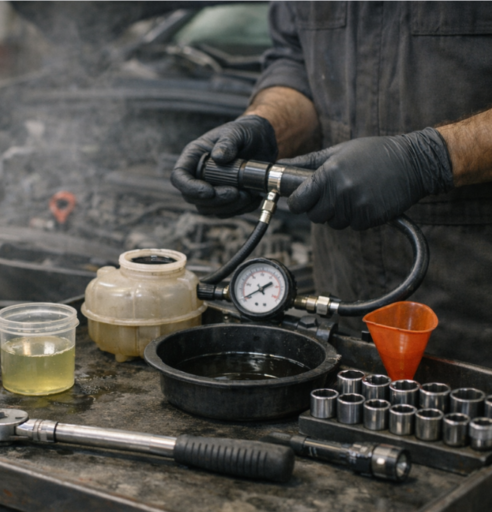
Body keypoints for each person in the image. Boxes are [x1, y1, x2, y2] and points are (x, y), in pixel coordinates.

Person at [171, 2, 492, 366]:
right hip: (343, 306)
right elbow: (297, 62)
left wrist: (431, 158)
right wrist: (268, 126)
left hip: (473, 315)